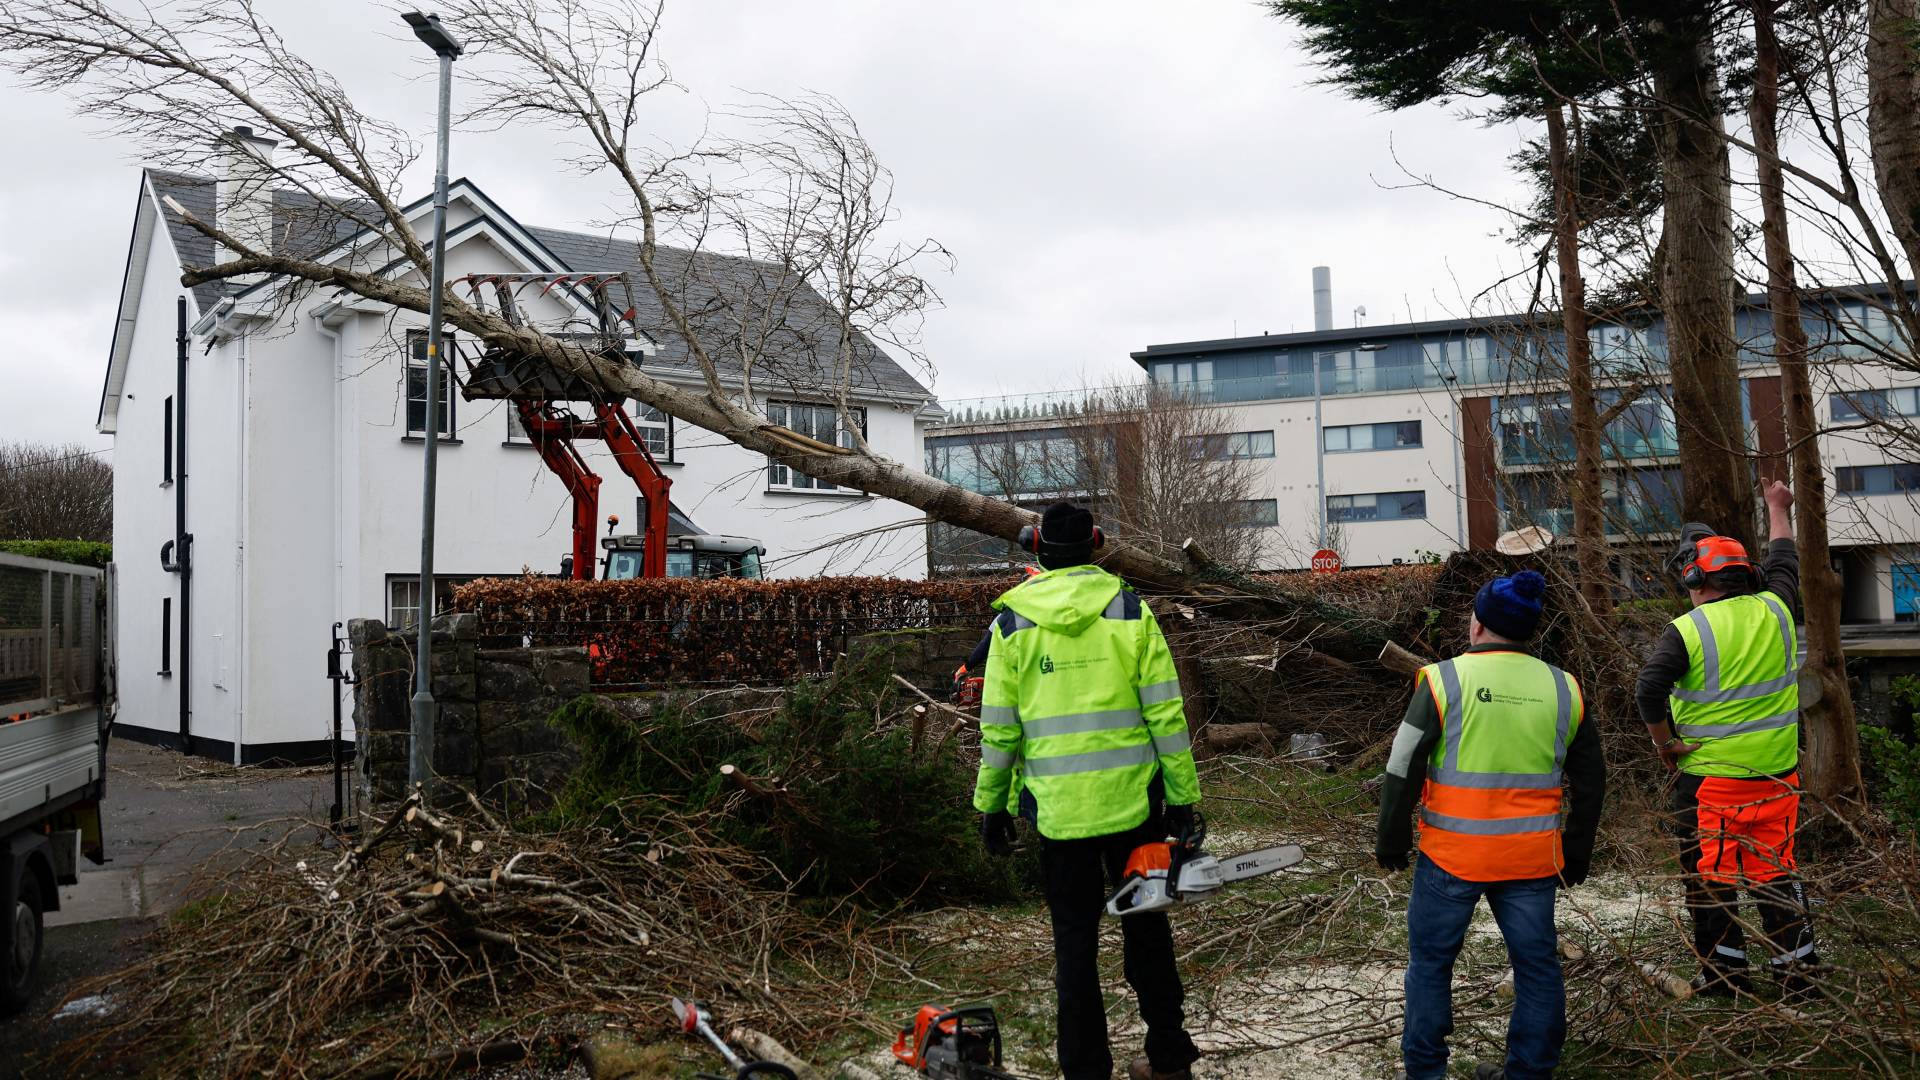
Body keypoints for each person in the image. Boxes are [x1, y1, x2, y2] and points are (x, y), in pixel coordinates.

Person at [972, 502, 1203, 1080]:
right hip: (1134, 806)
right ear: (1096, 544)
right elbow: (1166, 714)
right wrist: (1182, 798)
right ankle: (1169, 1057)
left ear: (1037, 547)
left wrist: (992, 806)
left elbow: (999, 730)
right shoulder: (1130, 610)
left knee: (1074, 947)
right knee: (1147, 931)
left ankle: (1085, 1071)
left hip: (1059, 817)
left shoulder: (1012, 624)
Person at [1377, 570, 1605, 1080]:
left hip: (1451, 857)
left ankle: (1426, 1073)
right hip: (1531, 859)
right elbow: (1592, 781)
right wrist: (1576, 852)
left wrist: (1391, 840)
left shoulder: (1442, 680)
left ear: (1477, 624)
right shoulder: (1565, 687)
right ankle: (1529, 1072)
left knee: (1431, 965)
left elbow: (1403, 765)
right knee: (1537, 967)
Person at [1636, 480, 1820, 999]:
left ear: (1695, 577)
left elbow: (1648, 690)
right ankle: (1798, 975)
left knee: (1709, 875)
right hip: (1775, 776)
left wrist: (1665, 745)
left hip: (1709, 782)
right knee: (1777, 869)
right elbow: (1784, 557)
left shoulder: (1687, 629)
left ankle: (1725, 976)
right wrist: (1778, 507)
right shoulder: (1777, 607)